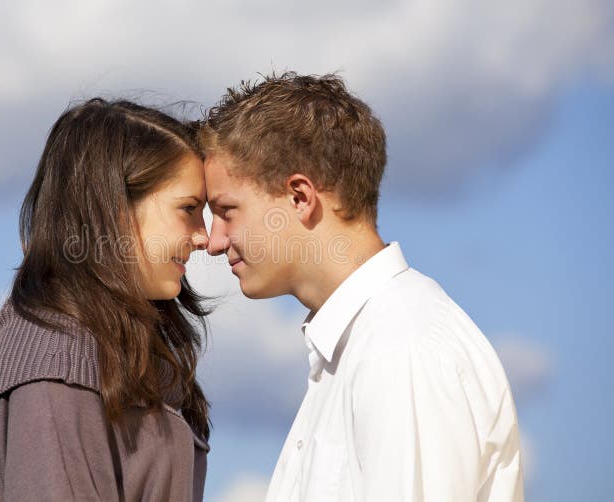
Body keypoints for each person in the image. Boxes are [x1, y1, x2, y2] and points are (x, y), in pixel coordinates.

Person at [198, 72, 524, 502]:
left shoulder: (402, 346)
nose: (215, 241)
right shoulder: (368, 343)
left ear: (300, 197)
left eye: (227, 211)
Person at [0, 98, 211, 501]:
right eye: (188, 209)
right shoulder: (54, 364)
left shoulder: (101, 351)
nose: (203, 236)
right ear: (111, 208)